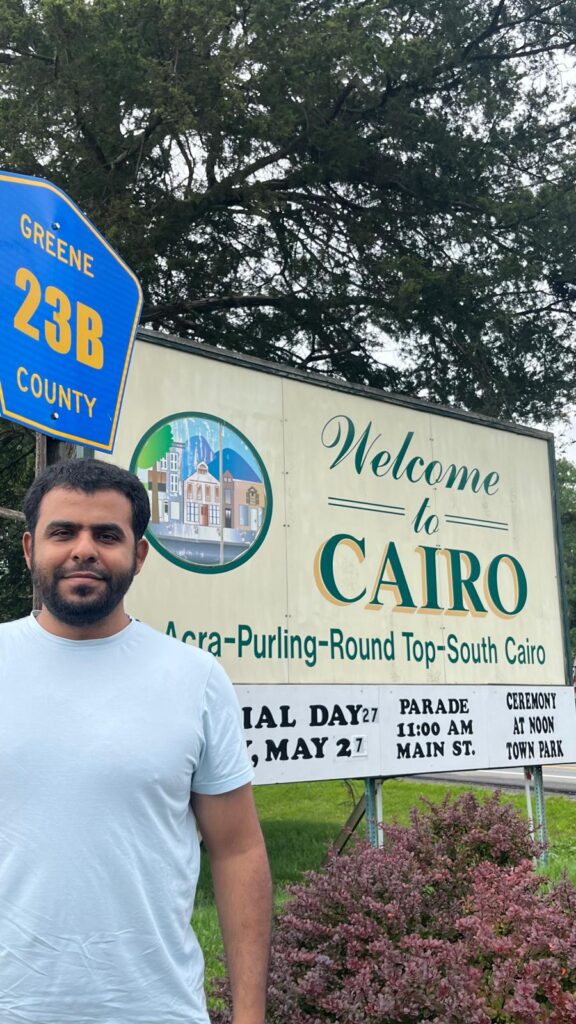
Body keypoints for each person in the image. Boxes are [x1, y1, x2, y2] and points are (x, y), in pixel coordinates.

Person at [0, 458, 272, 1024]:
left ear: (139, 555)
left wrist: (250, 1016)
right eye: (62, 532)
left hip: (153, 1008)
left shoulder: (195, 679)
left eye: (107, 535)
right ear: (29, 549)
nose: (83, 550)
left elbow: (237, 850)